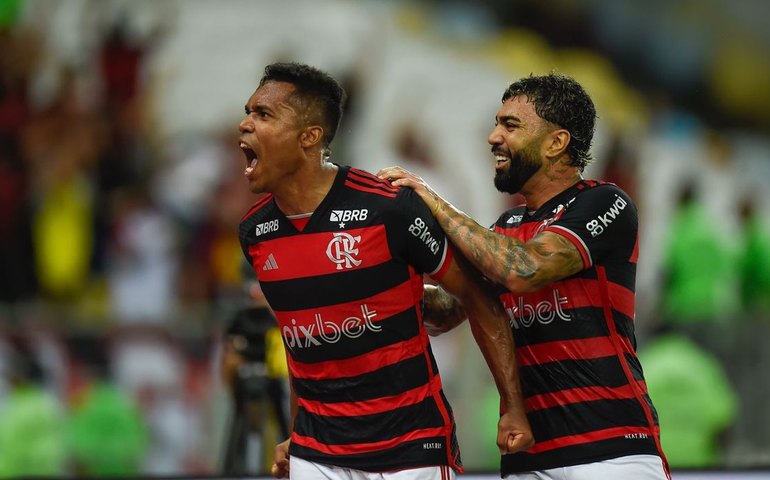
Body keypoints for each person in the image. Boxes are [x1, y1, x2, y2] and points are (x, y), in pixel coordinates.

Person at [236, 62, 533, 479]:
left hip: (410, 448)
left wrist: (512, 406)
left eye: (262, 115)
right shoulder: (255, 233)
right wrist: (296, 433)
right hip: (319, 451)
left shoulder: (388, 208)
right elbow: (299, 344)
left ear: (309, 137)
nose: (244, 125)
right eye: (248, 112)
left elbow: (475, 293)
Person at [379, 73, 670, 479]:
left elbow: (525, 269)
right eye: (497, 123)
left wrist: (433, 201)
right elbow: (446, 311)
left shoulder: (606, 202)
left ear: (556, 142)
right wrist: (369, 283)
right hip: (529, 455)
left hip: (610, 449)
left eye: (510, 125)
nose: (493, 137)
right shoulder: (507, 227)